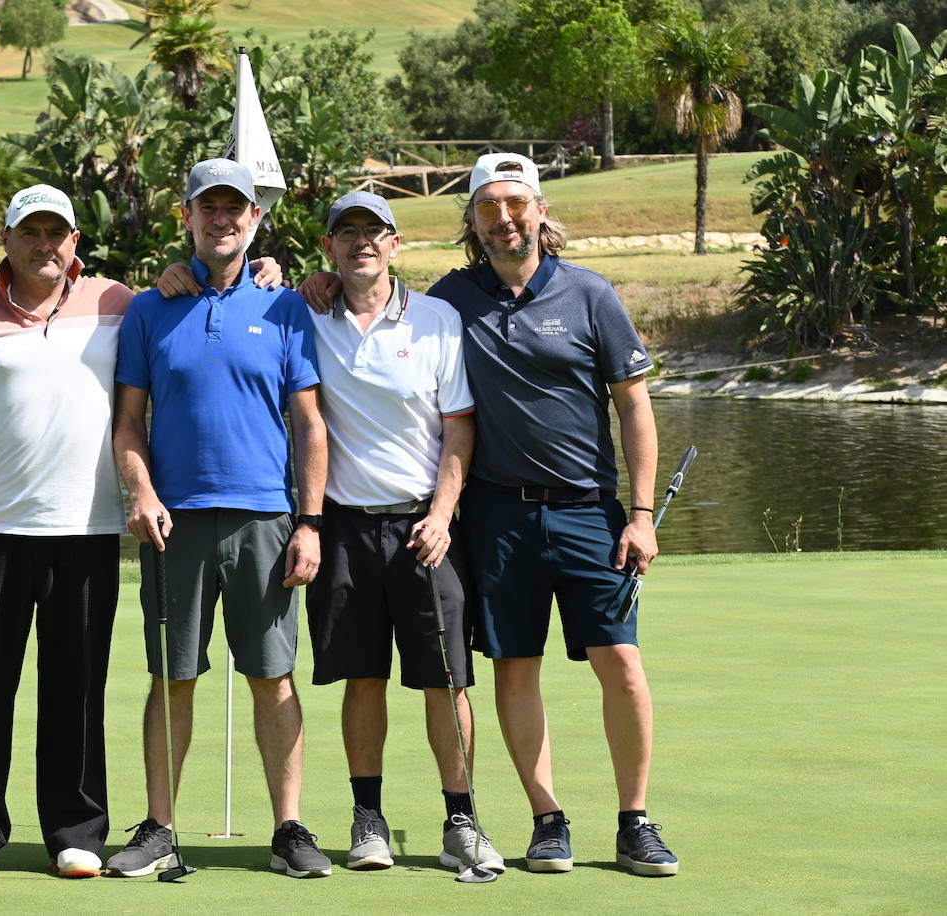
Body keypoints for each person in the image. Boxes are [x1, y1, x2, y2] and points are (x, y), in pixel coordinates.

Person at [301, 155, 679, 877]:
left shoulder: (590, 294)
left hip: (591, 511)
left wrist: (641, 513)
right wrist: (304, 282)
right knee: (513, 667)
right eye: (488, 208)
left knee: (622, 666)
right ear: (471, 222)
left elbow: (634, 407)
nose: (504, 219)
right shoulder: (454, 299)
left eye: (515, 205)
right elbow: (361, 289)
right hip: (498, 515)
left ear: (538, 210)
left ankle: (634, 820)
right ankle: (547, 820)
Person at [109, 159, 332, 879]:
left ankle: (290, 829)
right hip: (175, 521)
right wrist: (140, 492)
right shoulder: (151, 307)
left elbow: (310, 425)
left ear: (255, 219)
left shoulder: (284, 305)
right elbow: (128, 423)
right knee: (173, 677)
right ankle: (160, 827)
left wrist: (310, 522)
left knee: (274, 677)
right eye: (209, 207)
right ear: (189, 216)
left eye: (236, 208)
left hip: (266, 517)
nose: (223, 219)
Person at [0, 184, 131, 881]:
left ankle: (75, 830)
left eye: (58, 232)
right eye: (31, 232)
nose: (46, 244)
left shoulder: (116, 303)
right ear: (6, 238)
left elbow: (194, 301)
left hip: (89, 530)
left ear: (76, 240)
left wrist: (271, 271)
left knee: (77, 685)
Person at [302, 191, 505, 876]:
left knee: (446, 682)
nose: (361, 242)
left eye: (374, 231)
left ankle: (462, 820)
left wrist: (443, 514)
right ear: (328, 248)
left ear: (396, 244)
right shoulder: (305, 316)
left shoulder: (438, 319)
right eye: (346, 232)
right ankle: (368, 819)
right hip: (342, 532)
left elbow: (459, 426)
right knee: (363, 680)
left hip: (425, 526)